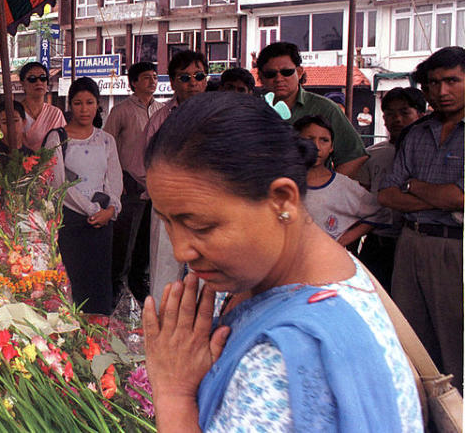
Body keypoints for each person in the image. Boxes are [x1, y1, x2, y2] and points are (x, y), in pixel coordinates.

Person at [141, 92, 421, 432]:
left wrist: (173, 393)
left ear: (282, 200)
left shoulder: (288, 360)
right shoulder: (325, 268)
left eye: (200, 226)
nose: (180, 251)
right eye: (167, 222)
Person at [379, 46, 464, 390]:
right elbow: (387, 193)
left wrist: (413, 186)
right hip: (411, 243)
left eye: (452, 81)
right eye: (434, 83)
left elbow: (459, 197)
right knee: (412, 341)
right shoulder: (417, 133)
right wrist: (439, 197)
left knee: (456, 342)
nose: (442, 91)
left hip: (455, 248)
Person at [45, 77, 122, 316]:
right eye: (78, 103)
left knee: (98, 284)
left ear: (97, 105)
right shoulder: (56, 138)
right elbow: (58, 182)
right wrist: (90, 210)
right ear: (70, 105)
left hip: (102, 225)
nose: (84, 109)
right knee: (71, 283)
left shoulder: (106, 139)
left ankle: (98, 341)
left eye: (89, 102)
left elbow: (114, 179)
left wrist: (110, 211)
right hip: (70, 223)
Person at [138, 50, 208, 303]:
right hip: (167, 205)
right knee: (163, 273)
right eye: (184, 77)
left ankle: (204, 335)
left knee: (207, 277)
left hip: (210, 206)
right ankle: (160, 332)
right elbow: (144, 165)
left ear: (206, 79)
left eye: (198, 76)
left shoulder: (218, 115)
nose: (192, 83)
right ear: (173, 82)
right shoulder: (160, 119)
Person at [256, 42, 368, 177]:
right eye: (271, 74)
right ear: (261, 77)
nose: (279, 79)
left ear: (299, 72)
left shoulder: (325, 109)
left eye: (287, 72)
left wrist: (322, 188)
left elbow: (354, 157)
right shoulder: (250, 111)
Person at [103, 61, 163, 306]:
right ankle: (114, 290)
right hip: (128, 184)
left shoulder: (161, 111)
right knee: (124, 241)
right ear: (134, 82)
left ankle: (139, 288)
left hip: (155, 186)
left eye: (155, 76)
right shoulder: (121, 111)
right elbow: (106, 145)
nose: (152, 81)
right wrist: (116, 181)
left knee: (147, 241)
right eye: (146, 77)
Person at [354, 87, 426, 291]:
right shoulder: (372, 154)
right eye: (390, 114)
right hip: (377, 243)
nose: (397, 119)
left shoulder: (427, 155)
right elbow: (362, 201)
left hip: (412, 241)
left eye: (404, 113)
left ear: (420, 115)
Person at [294, 115, 386, 245]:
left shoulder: (342, 186)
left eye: (324, 140)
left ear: (332, 147)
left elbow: (380, 212)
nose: (317, 147)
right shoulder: (283, 183)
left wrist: (344, 239)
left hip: (327, 260)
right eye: (309, 139)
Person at [18, 61, 65, 151]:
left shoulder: (55, 113)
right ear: (22, 83)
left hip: (53, 163)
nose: (38, 82)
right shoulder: (15, 112)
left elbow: (63, 143)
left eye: (43, 78)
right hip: (21, 163)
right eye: (32, 78)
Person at [0, 100, 34, 168]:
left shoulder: (31, 156)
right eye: (5, 122)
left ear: (24, 122)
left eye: (15, 121)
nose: (11, 126)